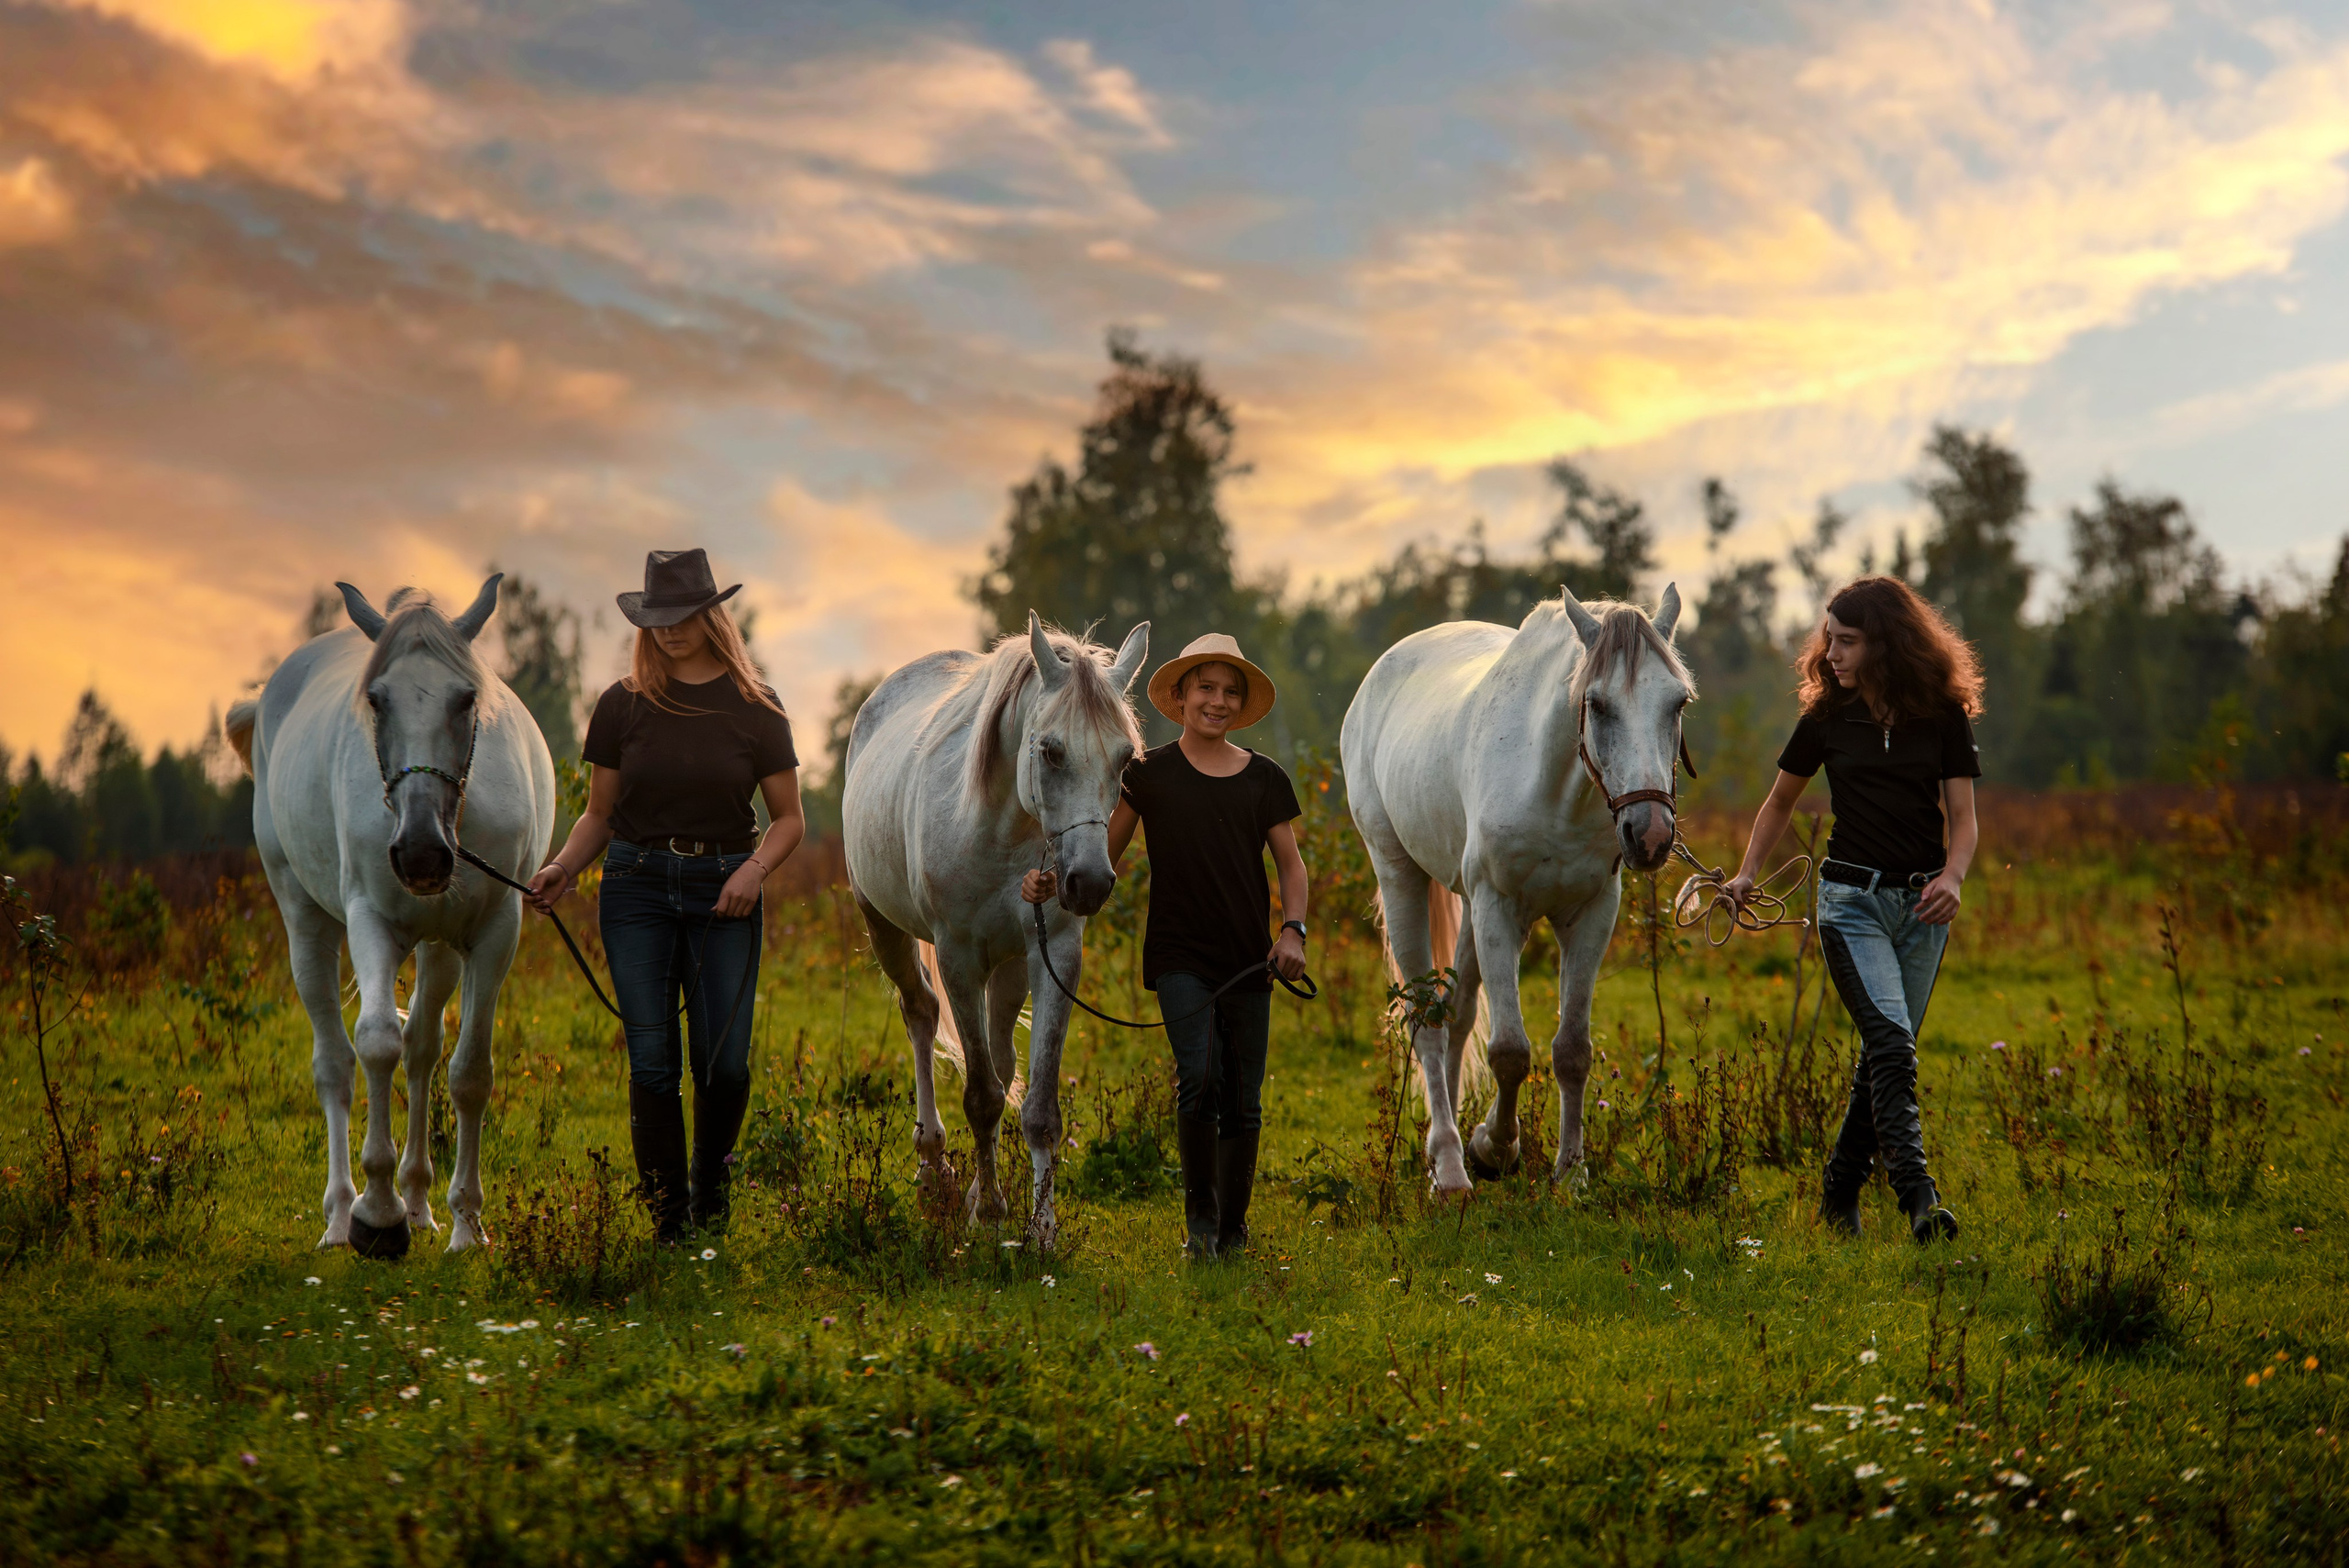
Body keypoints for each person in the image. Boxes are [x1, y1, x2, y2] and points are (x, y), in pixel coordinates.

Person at [527, 549, 804, 1242]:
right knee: (652, 1057)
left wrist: (754, 871)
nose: (669, 631)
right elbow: (599, 812)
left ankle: (710, 1194)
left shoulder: (757, 706)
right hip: (635, 888)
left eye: (682, 616)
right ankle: (668, 1222)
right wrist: (562, 866)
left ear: (712, 616)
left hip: (726, 891)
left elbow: (790, 818)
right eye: (657, 619)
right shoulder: (623, 704)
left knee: (724, 1059)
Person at [1022, 633, 1308, 1261]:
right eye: (1206, 687)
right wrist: (1050, 884)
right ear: (1178, 698)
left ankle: (1235, 1230)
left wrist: (1293, 930)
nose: (1218, 700)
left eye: (1230, 691)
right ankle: (1200, 1226)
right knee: (1199, 1076)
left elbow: (1291, 864)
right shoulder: (1147, 776)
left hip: (1249, 959)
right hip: (1179, 954)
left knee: (1244, 1097)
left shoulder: (1265, 777)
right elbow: (1104, 855)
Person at [1724, 575, 1979, 1244]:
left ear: (1886, 643)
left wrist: (1954, 875)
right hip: (1850, 903)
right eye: (1828, 637)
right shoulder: (1827, 717)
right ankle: (1920, 1199)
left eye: (1848, 640)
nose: (1830, 652)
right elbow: (1779, 801)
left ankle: (1839, 1191)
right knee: (1893, 1043)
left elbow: (1964, 819)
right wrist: (1748, 872)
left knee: (1884, 1054)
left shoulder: (1942, 715)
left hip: (1923, 907)